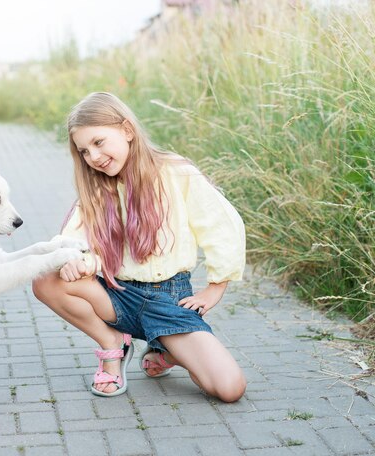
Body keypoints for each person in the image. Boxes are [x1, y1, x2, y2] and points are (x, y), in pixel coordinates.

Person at [32, 92, 246, 401]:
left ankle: (166, 350)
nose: (93, 157)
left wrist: (216, 286)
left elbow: (221, 225)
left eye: (98, 142)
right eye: (84, 151)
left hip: (169, 302)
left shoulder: (176, 173)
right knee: (46, 278)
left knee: (229, 388)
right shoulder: (96, 190)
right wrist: (74, 260)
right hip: (119, 297)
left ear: (127, 131)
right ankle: (113, 346)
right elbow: (72, 240)